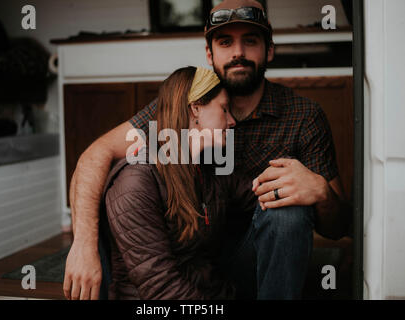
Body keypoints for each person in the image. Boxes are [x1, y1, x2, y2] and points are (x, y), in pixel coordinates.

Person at [63, 0, 352, 300]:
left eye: (250, 41)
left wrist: (319, 191)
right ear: (209, 54)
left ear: (269, 50)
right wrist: (82, 245)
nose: (238, 52)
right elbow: (95, 155)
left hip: (254, 256)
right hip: (188, 260)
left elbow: (338, 227)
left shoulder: (303, 116)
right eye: (225, 42)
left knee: (287, 208)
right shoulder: (179, 109)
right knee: (100, 198)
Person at [103, 66, 258, 299]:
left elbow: (259, 194)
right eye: (224, 109)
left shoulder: (211, 168)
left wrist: (300, 187)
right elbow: (160, 287)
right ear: (196, 109)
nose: (232, 121)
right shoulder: (136, 179)